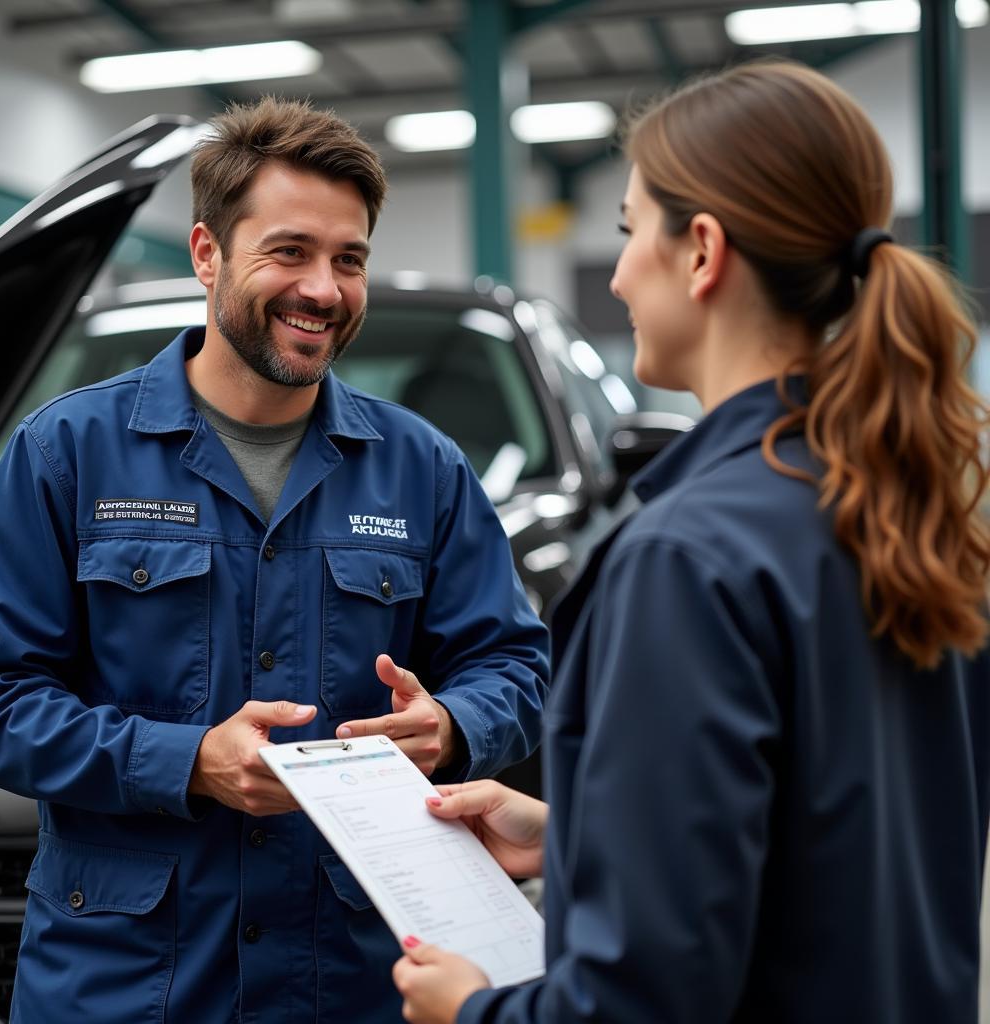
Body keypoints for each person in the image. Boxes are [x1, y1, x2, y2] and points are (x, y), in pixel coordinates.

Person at [391, 61, 990, 1023]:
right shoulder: (907, 516)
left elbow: (642, 1002)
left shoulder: (688, 561)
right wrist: (579, 833)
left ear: (701, 251)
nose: (621, 271)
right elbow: (840, 844)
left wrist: (470, 1009)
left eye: (630, 232)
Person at [0, 96, 549, 1023]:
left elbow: (515, 663)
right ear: (207, 254)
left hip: (356, 979)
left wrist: (455, 724)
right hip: (128, 986)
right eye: (289, 251)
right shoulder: (65, 455)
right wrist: (186, 759)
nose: (323, 288)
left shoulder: (424, 470)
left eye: (347, 259)